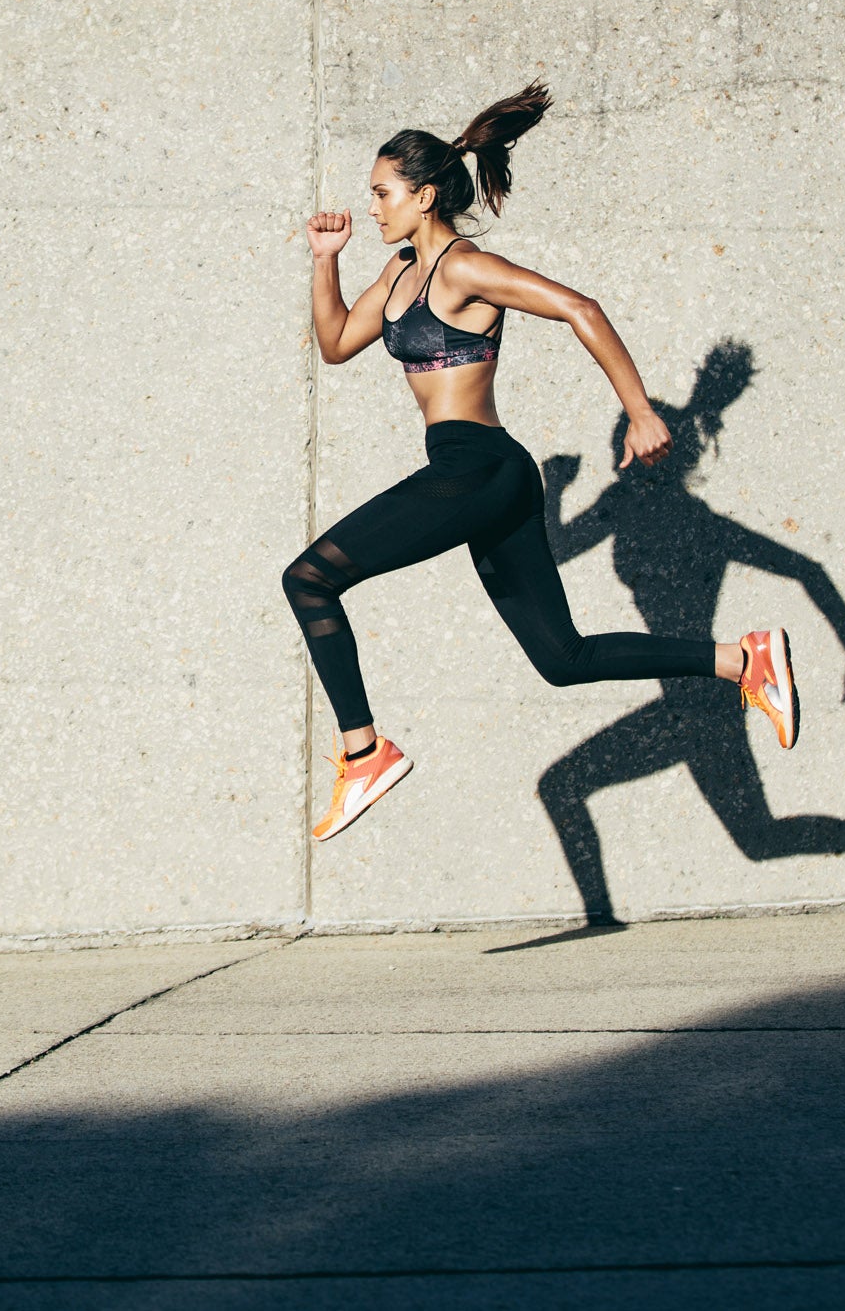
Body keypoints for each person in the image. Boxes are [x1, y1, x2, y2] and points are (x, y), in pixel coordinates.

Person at [285, 81, 796, 843]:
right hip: (484, 475)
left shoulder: (464, 268)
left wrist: (642, 410)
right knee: (562, 657)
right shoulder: (396, 273)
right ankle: (741, 659)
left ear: (424, 195)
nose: (373, 207)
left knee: (310, 578)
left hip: (479, 464)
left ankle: (364, 751)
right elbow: (335, 345)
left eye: (383, 193)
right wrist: (326, 261)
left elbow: (579, 308)